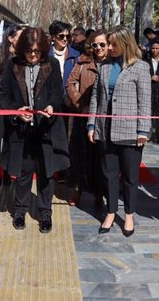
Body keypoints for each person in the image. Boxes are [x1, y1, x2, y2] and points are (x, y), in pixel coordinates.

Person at [0, 27, 70, 233]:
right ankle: (20, 210)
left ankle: (45, 213)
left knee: (46, 172)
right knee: (23, 172)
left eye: (37, 51)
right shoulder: (13, 65)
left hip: (45, 128)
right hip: (21, 129)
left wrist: (52, 107)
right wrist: (16, 110)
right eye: (29, 50)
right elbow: (3, 95)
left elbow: (58, 93)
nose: (33, 55)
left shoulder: (52, 64)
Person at [88, 26, 151, 237]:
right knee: (109, 174)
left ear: (126, 44)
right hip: (105, 130)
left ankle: (130, 214)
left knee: (131, 176)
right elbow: (96, 98)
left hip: (130, 132)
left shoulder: (141, 67)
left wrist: (143, 130)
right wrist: (91, 124)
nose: (110, 48)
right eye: (109, 43)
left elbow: (145, 101)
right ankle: (111, 211)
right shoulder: (103, 66)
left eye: (114, 44)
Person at [66, 30, 108, 207]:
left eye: (102, 45)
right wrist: (79, 103)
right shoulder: (83, 61)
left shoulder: (114, 63)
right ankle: (78, 190)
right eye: (95, 45)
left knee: (101, 157)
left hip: (105, 119)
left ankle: (100, 192)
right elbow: (70, 83)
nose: (98, 48)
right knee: (80, 155)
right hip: (83, 116)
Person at [0, 24, 26, 186]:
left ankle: (10, 171)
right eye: (20, 36)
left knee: (12, 139)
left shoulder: (25, 57)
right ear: (10, 38)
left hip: (16, 104)